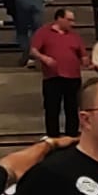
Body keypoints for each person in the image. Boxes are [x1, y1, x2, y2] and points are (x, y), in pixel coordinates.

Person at [29, 8, 86, 138]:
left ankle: (71, 136)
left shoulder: (74, 36)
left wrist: (86, 60)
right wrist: (45, 58)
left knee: (72, 108)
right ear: (59, 18)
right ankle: (53, 136)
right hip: (53, 76)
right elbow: (33, 50)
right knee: (52, 108)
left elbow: (82, 54)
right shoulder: (44, 32)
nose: (73, 23)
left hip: (73, 76)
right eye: (69, 20)